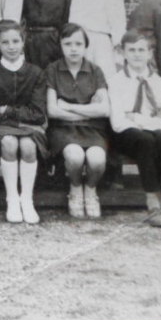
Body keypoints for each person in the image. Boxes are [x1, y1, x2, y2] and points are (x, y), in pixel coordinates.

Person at [109, 30, 161, 228]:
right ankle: (152, 202)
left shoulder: (160, 83)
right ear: (123, 53)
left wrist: (139, 119)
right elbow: (118, 122)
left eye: (141, 50)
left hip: (149, 132)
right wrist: (151, 121)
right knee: (146, 140)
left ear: (150, 53)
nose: (136, 54)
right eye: (131, 50)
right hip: (125, 138)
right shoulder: (116, 82)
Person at [0, 21, 47, 225]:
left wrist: (8, 110)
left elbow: (38, 114)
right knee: (9, 142)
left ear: (23, 42)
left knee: (28, 145)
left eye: (16, 41)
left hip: (28, 128)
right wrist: (17, 116)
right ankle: (12, 199)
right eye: (5, 42)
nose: (11, 46)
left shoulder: (35, 72)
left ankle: (26, 199)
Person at [45, 23, 111, 220]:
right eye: (68, 44)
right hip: (63, 131)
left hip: (93, 130)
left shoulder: (95, 71)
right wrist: (89, 110)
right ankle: (75, 188)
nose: (73, 48)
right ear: (61, 46)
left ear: (85, 46)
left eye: (78, 44)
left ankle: (90, 190)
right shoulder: (53, 70)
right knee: (74, 156)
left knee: (97, 159)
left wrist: (68, 106)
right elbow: (52, 111)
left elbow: (104, 110)